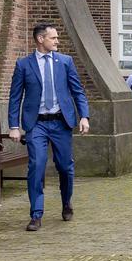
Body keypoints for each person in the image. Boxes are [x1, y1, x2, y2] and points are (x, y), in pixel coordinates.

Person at [7, 23, 91, 231]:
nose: (57, 41)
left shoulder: (65, 62)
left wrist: (84, 117)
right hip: (36, 125)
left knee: (65, 167)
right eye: (53, 38)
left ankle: (66, 202)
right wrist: (14, 126)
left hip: (61, 123)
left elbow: (78, 91)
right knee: (36, 165)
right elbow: (15, 97)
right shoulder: (23, 65)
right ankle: (36, 214)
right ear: (40, 39)